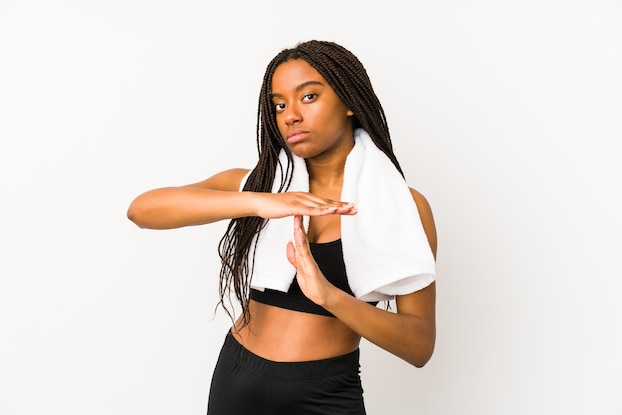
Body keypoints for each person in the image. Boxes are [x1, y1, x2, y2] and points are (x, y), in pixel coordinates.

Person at [127, 39, 437, 415]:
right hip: (236, 381)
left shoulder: (402, 208)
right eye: (279, 104)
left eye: (308, 97)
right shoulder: (256, 186)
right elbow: (142, 210)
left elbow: (419, 345)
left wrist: (329, 296)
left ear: (350, 102)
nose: (290, 115)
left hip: (324, 395)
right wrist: (261, 202)